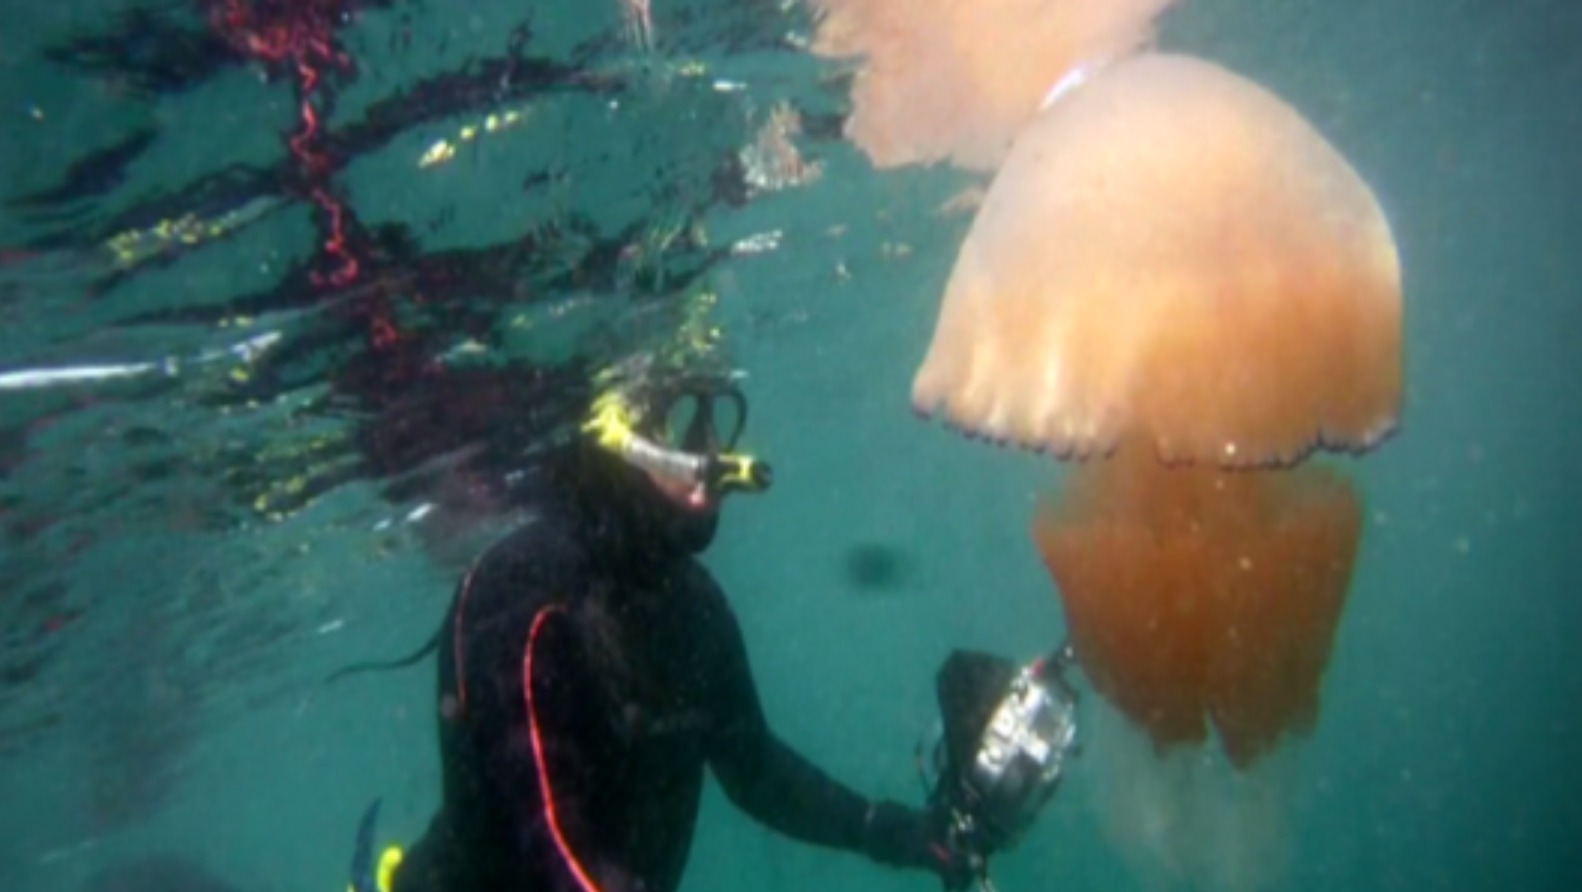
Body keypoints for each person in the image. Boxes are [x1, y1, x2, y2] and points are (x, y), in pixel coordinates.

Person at [360, 360, 973, 892]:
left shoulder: (694, 604)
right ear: (619, 433)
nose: (708, 450)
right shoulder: (523, 592)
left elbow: (755, 771)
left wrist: (892, 833)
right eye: (680, 420)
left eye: (716, 420)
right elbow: (551, 842)